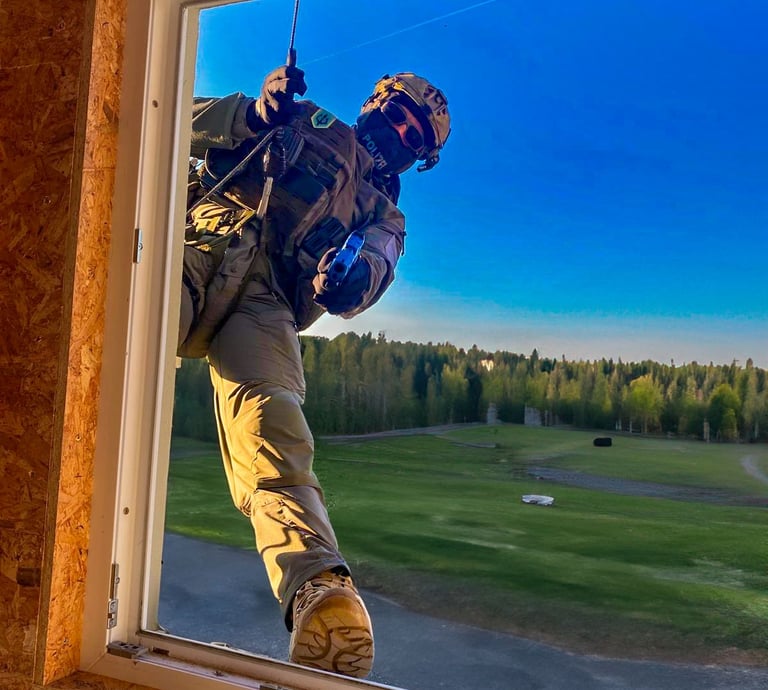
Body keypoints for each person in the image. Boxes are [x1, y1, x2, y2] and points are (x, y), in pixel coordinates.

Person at [177, 63, 450, 678]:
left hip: (266, 303)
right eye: (396, 115)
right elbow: (165, 122)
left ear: (418, 160)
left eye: (413, 138)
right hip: (202, 244)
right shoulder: (298, 118)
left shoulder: (383, 215)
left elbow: (377, 264)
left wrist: (351, 282)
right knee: (117, 326)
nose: (398, 133)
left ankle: (318, 591)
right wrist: (250, 115)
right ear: (373, 103)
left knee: (274, 432)